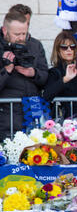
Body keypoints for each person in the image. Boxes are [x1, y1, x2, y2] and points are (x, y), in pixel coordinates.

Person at [0, 11, 48, 140]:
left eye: (24, 33)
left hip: (33, 112)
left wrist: (33, 73)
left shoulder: (35, 45)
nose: (21, 38)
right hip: (6, 116)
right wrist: (6, 70)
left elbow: (45, 77)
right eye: (17, 34)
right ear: (5, 31)